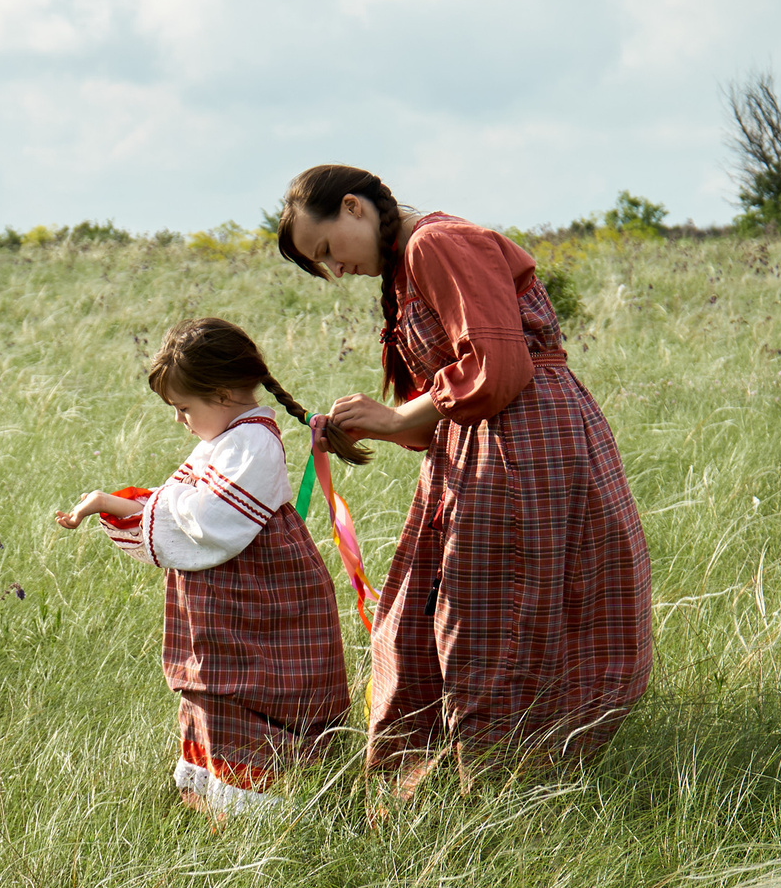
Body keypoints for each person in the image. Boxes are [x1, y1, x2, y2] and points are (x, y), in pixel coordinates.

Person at [276, 165, 652, 790]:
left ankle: (506, 783)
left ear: (354, 208)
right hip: (486, 447)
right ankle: (461, 784)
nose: (336, 271)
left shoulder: (435, 243)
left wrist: (394, 415)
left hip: (526, 443)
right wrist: (378, 425)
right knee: (443, 617)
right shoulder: (405, 268)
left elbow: (499, 367)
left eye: (327, 251)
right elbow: (452, 401)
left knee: (494, 616)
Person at [54, 318, 370, 816]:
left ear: (221, 393)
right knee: (217, 690)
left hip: (258, 600)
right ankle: (223, 805)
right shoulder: (226, 439)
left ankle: (260, 816)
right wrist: (107, 502)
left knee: (252, 689)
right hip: (230, 601)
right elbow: (185, 507)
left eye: (184, 408)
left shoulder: (252, 443)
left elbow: (211, 520)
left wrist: (142, 502)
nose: (180, 420)